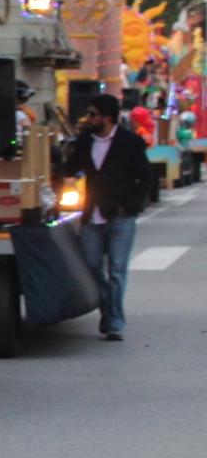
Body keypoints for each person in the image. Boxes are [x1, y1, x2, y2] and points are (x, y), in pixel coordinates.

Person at [66, 93, 157, 342]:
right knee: (91, 266)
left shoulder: (130, 142)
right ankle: (108, 308)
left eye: (93, 114)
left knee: (117, 269)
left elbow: (146, 178)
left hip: (120, 216)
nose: (89, 118)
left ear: (107, 118)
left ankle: (114, 322)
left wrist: (130, 206)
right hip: (92, 215)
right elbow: (70, 167)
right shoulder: (85, 140)